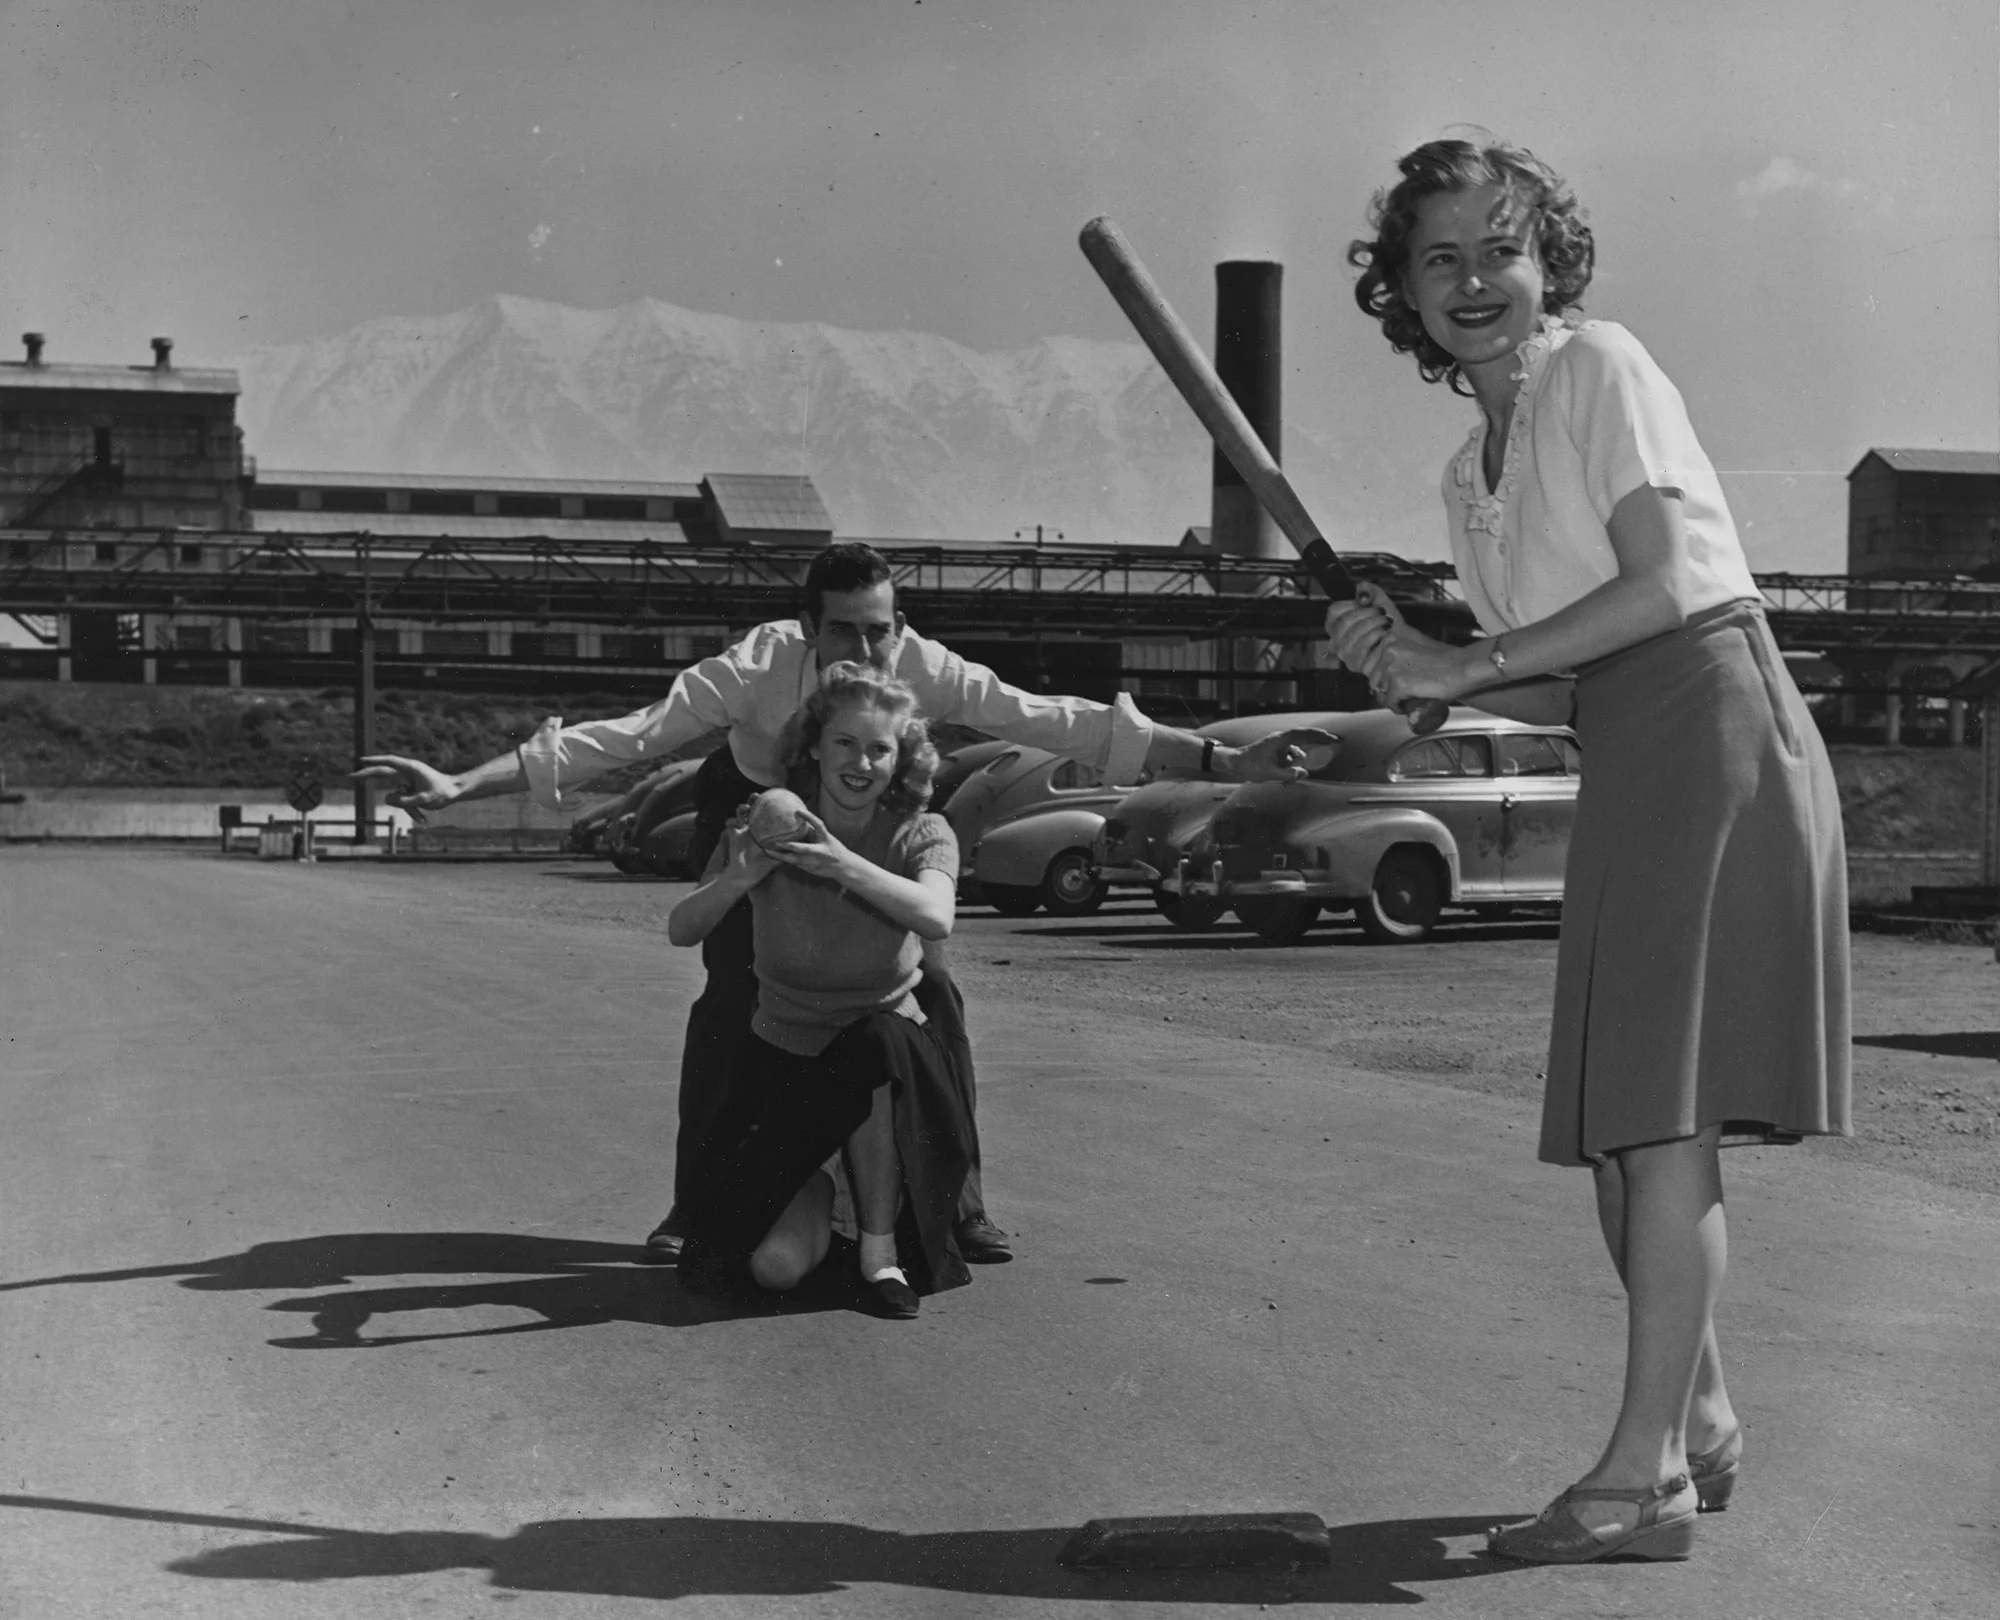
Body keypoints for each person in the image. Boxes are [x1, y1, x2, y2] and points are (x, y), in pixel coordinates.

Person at [1327, 137, 1849, 1565]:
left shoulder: (1600, 369)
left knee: (1657, 1124)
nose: (1476, 278)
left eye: (1503, 246)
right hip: (1629, 751)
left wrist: (1466, 654)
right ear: (1406, 297)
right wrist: (1425, 669)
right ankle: (1709, 1422)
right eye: (1441, 258)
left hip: (1718, 728)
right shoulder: (1463, 474)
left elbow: (1673, 584)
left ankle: (1642, 1481)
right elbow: (1561, 681)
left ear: (1551, 262)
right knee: (1628, 1142)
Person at [356, 542, 1332, 1266]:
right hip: (753, 805)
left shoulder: (920, 665)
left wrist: (1219, 756)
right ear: (806, 628)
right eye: (846, 633)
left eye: (882, 628)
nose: (869, 649)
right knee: (734, 995)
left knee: (925, 995)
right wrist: (459, 785)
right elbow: (623, 739)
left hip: (877, 805)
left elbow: (1068, 724)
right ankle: (696, 1204)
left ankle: (957, 1203)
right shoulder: (750, 669)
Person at [667, 662, 968, 1318]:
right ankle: (825, 1194)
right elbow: (681, 928)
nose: (860, 763)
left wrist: (839, 861)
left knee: (877, 1041)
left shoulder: (922, 831)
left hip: (891, 1077)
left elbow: (935, 915)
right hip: (784, 1071)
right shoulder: (763, 822)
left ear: (902, 759)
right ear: (813, 748)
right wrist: (739, 878)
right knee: (774, 1269)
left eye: (879, 749)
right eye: (845, 743)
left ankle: (879, 1254)